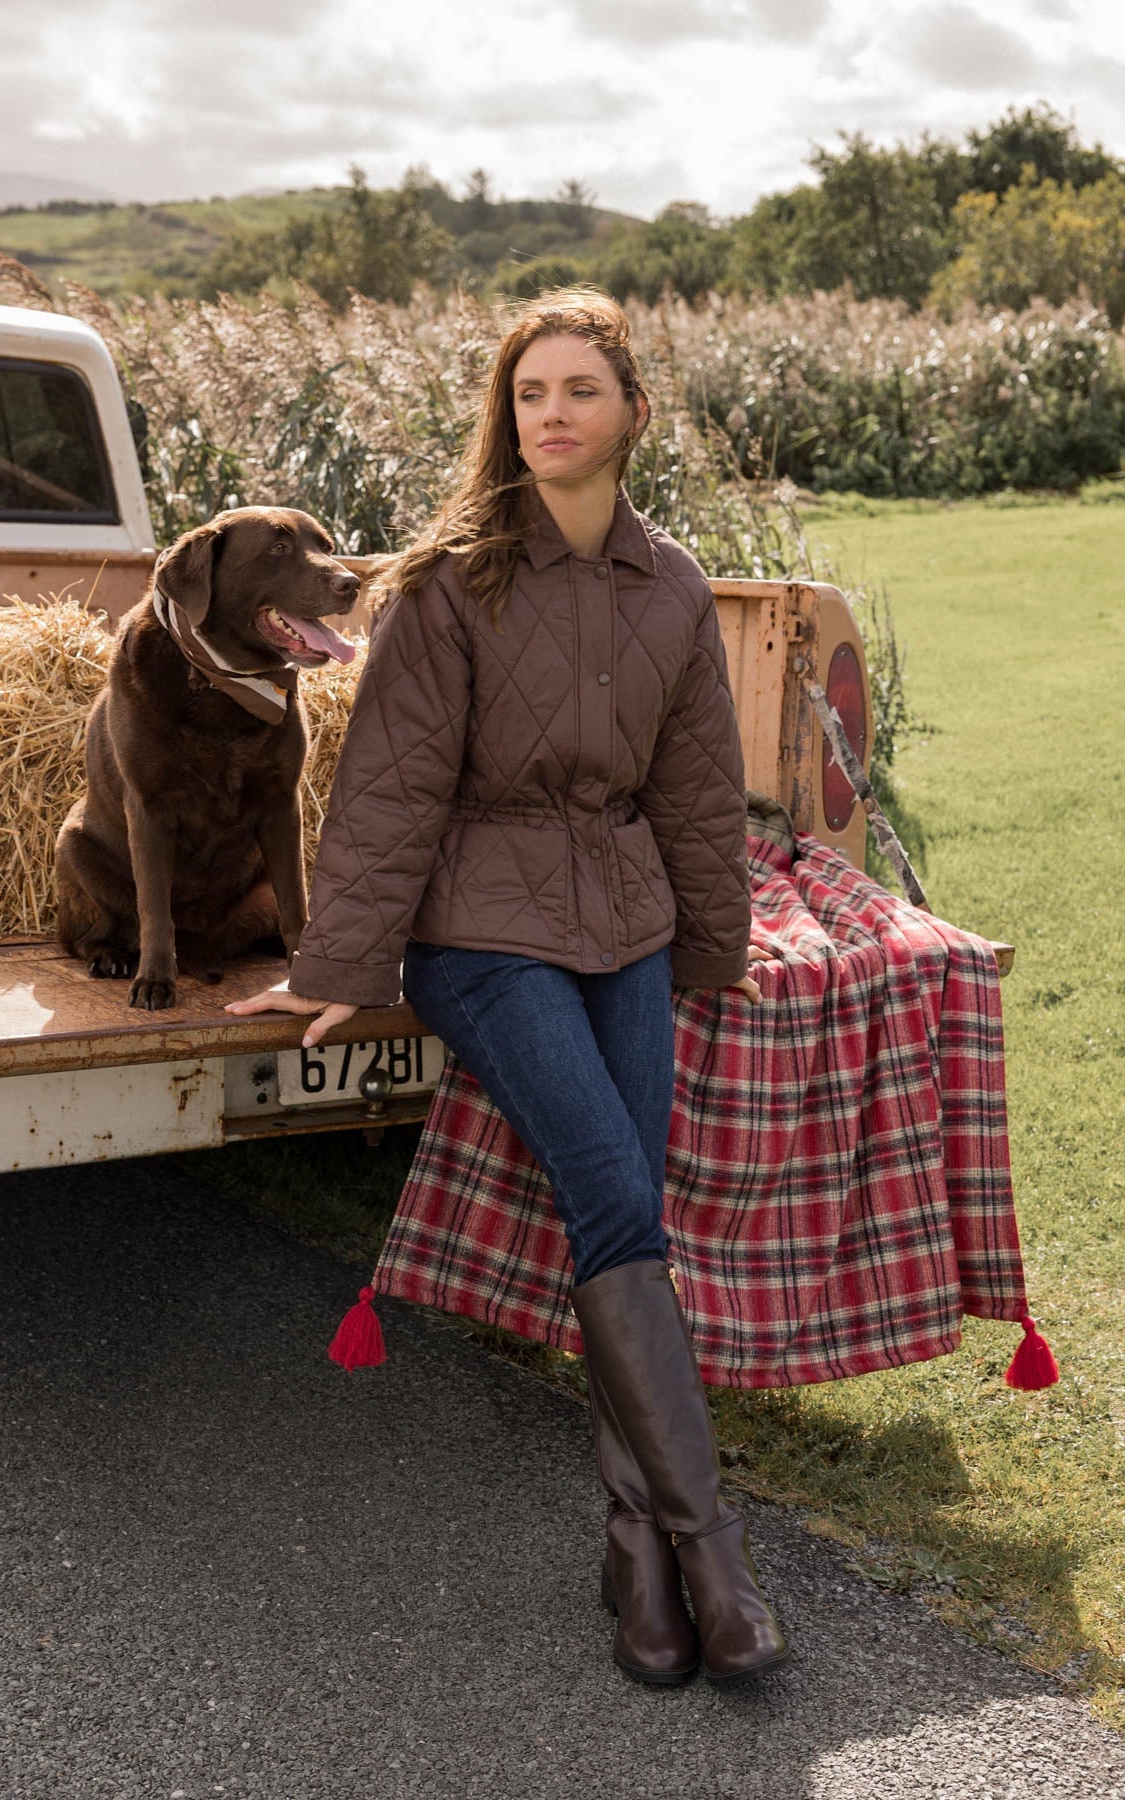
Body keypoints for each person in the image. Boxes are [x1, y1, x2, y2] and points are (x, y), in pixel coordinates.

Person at [222, 285, 790, 1690]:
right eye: (530, 393)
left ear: (632, 414)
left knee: (625, 1212)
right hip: (483, 933)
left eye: (579, 390)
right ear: (507, 414)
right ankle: (712, 1549)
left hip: (630, 925)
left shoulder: (672, 586)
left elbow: (697, 792)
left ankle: (635, 1551)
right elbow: (392, 789)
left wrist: (711, 952)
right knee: (611, 1190)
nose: (551, 415)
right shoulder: (452, 582)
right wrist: (344, 966)